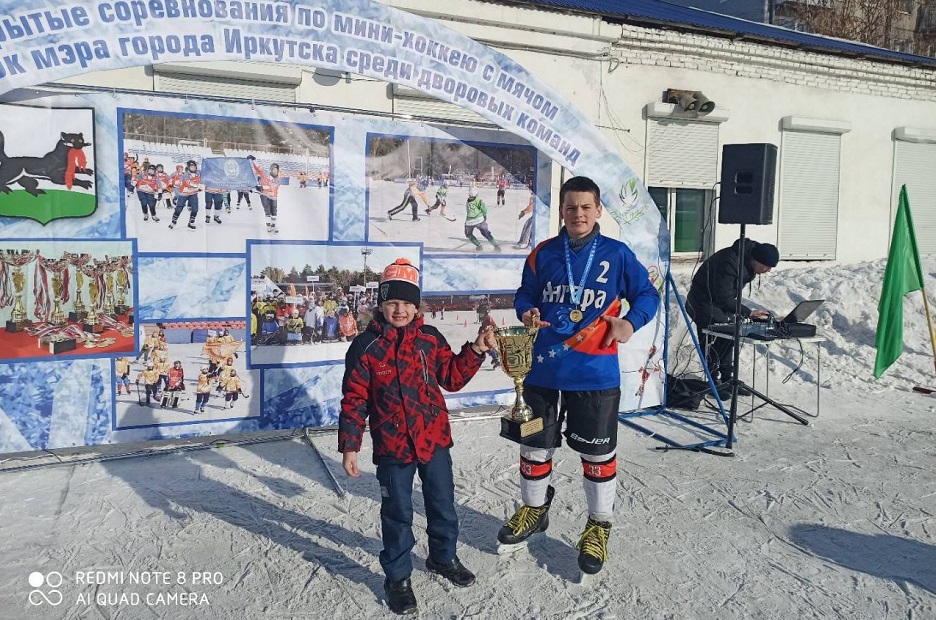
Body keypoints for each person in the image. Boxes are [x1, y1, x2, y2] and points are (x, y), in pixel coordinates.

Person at [502, 175, 660, 576]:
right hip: (541, 372)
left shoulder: (618, 254)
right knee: (534, 447)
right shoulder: (543, 253)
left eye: (586, 207)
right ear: (561, 210)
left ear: (598, 210)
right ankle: (535, 510)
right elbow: (526, 292)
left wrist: (630, 323)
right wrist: (526, 311)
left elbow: (648, 295)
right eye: (571, 207)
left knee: (596, 454)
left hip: (594, 374)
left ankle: (598, 526)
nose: (578, 214)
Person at [339, 258, 497, 615]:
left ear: (416, 306)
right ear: (381, 305)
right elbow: (354, 399)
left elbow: (452, 378)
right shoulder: (365, 346)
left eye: (407, 303)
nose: (400, 310)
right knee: (397, 513)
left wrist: (475, 350)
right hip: (393, 444)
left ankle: (442, 558)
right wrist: (350, 445)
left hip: (434, 439)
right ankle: (397, 578)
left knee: (442, 505)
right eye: (392, 302)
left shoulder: (429, 339)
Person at [686, 239, 779, 388]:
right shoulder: (729, 263)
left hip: (718, 302)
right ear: (756, 259)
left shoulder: (747, 263)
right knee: (714, 337)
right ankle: (713, 382)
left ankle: (727, 378)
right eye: (766, 266)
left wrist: (742, 312)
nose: (768, 271)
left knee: (730, 334)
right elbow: (723, 296)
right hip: (701, 302)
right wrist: (748, 312)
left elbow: (726, 295)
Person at [249, 156, 281, 233]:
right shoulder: (265, 173)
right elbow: (258, 168)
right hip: (264, 195)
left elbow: (273, 188)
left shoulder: (278, 178)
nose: (275, 171)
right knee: (267, 210)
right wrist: (253, 160)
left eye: (276, 169)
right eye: (274, 169)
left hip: (273, 196)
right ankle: (268, 226)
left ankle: (273, 225)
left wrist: (262, 187)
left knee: (274, 212)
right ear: (271, 169)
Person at [464, 186, 501, 252]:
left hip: (469, 221)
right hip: (479, 220)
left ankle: (478, 245)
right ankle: (496, 246)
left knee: (469, 234)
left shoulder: (468, 201)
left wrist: (465, 224)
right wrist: (484, 215)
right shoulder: (478, 199)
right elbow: (484, 209)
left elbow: (468, 212)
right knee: (486, 234)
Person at [169, 159, 201, 230]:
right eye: (191, 167)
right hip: (184, 193)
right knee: (179, 208)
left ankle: (191, 223)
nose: (193, 168)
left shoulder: (198, 173)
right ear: (188, 167)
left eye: (194, 166)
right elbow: (189, 184)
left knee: (195, 208)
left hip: (193, 193)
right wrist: (198, 186)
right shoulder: (186, 174)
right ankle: (173, 222)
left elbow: (205, 173)